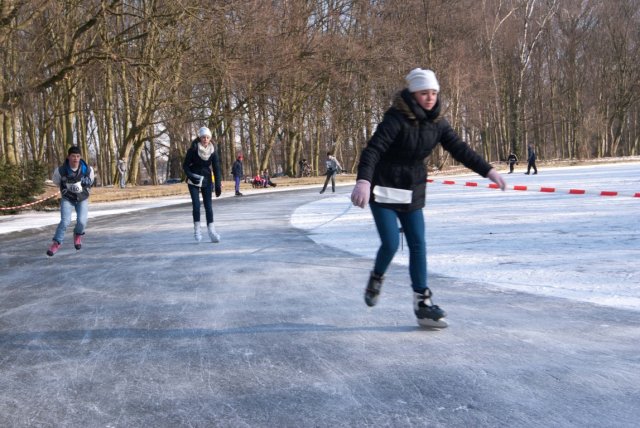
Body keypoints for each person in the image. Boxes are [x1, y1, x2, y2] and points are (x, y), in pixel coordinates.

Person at [350, 68, 506, 328]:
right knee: (390, 243)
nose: (430, 98)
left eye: (434, 93)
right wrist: (364, 181)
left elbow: (460, 149)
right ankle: (377, 277)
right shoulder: (395, 119)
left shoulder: (438, 123)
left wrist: (488, 170)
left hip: (412, 192)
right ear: (413, 94)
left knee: (418, 244)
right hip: (384, 189)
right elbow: (373, 150)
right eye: (424, 93)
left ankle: (423, 303)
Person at [46, 146, 95, 256]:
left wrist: (85, 185)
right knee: (65, 221)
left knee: (82, 221)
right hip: (67, 199)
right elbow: (56, 181)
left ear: (80, 157)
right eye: (73, 156)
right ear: (68, 157)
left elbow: (91, 181)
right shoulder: (60, 170)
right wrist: (65, 188)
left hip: (82, 199)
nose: (76, 159)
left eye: (78, 156)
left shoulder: (87, 169)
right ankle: (56, 243)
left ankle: (77, 235)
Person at [183, 126, 222, 243]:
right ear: (199, 138)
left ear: (210, 138)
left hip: (206, 179)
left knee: (208, 206)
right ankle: (197, 230)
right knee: (196, 205)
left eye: (207, 137)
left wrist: (218, 184)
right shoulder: (193, 150)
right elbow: (185, 166)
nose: (205, 139)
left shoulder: (213, 151)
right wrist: (191, 176)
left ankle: (212, 231)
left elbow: (216, 168)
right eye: (203, 137)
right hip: (193, 179)